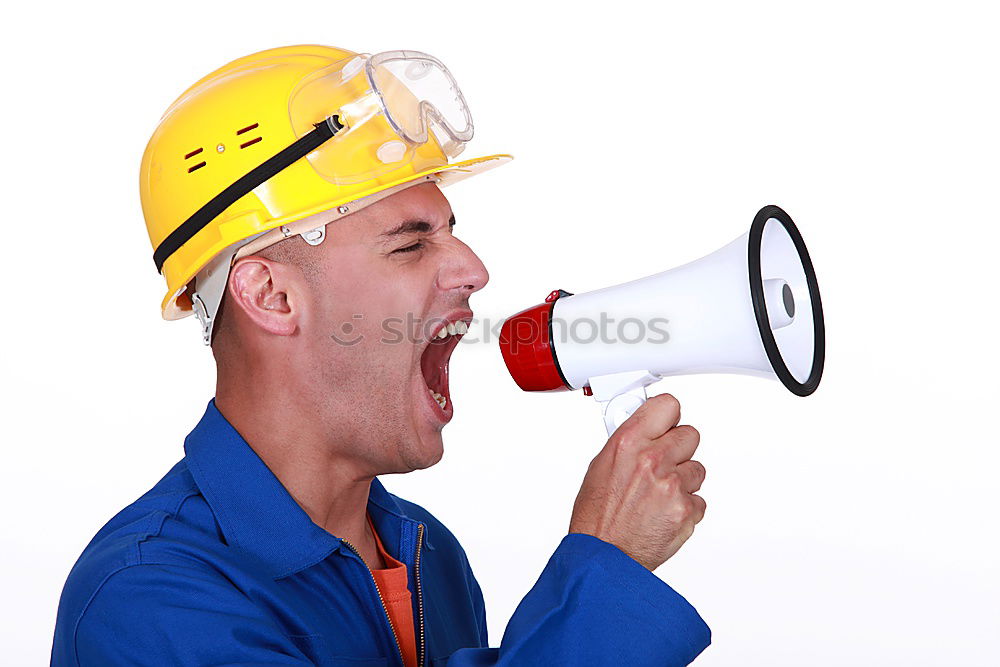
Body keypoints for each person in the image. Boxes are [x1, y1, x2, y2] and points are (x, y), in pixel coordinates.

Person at [51, 45, 711, 666]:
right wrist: (603, 571)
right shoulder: (149, 600)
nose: (474, 270)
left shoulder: (428, 557)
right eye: (410, 243)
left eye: (453, 231)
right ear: (271, 294)